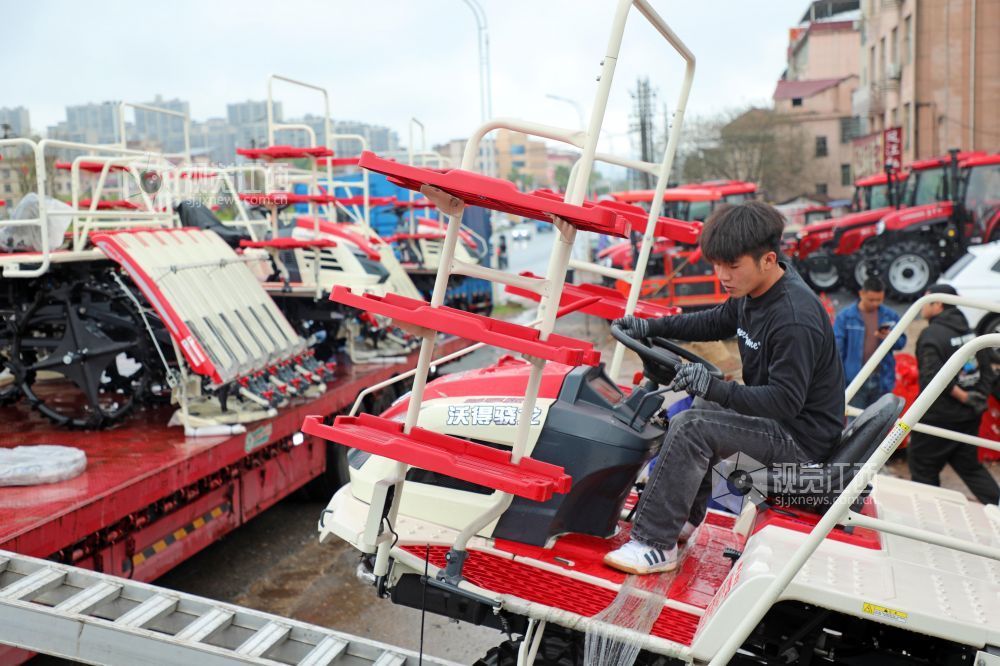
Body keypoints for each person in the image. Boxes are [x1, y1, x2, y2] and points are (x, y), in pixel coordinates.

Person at [604, 201, 845, 575]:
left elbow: (784, 402)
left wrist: (716, 388)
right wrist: (651, 327)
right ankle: (681, 519)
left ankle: (654, 543)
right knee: (700, 407)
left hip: (801, 441)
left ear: (767, 259)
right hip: (783, 424)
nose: (722, 275)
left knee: (693, 426)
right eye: (717, 264)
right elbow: (715, 322)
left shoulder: (793, 320)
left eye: (732, 266)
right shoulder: (755, 292)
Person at [907, 283, 999, 504]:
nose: (921, 304)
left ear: (938, 304)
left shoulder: (932, 335)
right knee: (970, 468)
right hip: (968, 416)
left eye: (926, 299)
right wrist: (977, 398)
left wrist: (966, 397)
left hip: (938, 418)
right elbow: (987, 369)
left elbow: (934, 379)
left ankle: (927, 522)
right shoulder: (970, 332)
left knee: (923, 469)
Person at [833, 276, 906, 409]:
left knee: (880, 421)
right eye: (871, 300)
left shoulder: (890, 316)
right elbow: (837, 350)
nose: (875, 303)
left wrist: (890, 337)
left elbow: (901, 343)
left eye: (879, 300)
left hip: (882, 380)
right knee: (854, 423)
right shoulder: (845, 317)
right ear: (861, 293)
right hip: (854, 380)